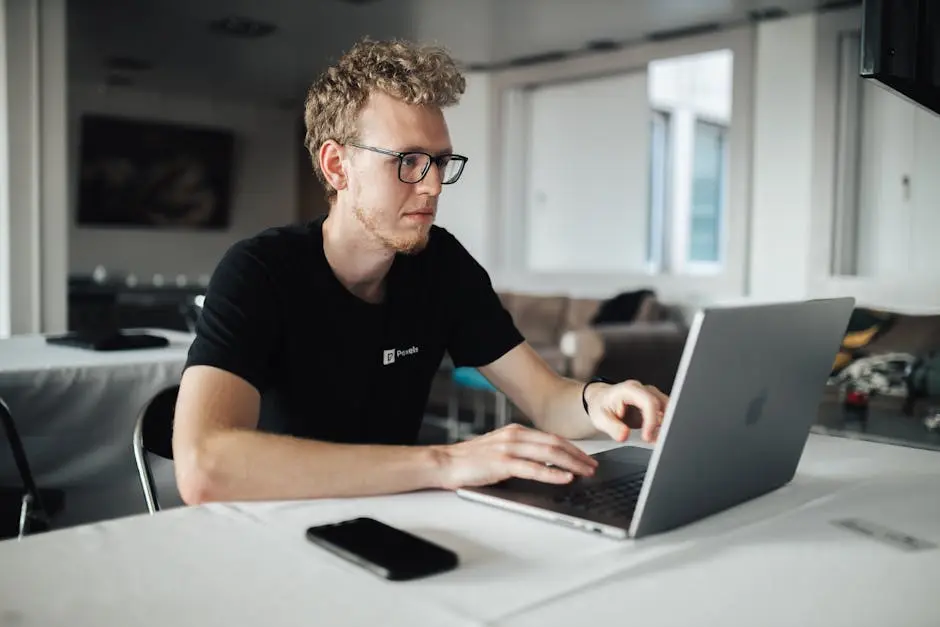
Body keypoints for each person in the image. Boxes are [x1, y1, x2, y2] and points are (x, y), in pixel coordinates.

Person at [172, 38, 669, 505]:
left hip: (395, 519)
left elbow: (546, 399)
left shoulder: (441, 264)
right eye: (408, 161)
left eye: (440, 161)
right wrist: (444, 461)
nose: (432, 186)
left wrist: (599, 397)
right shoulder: (259, 272)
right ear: (337, 167)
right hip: (274, 525)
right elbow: (203, 466)